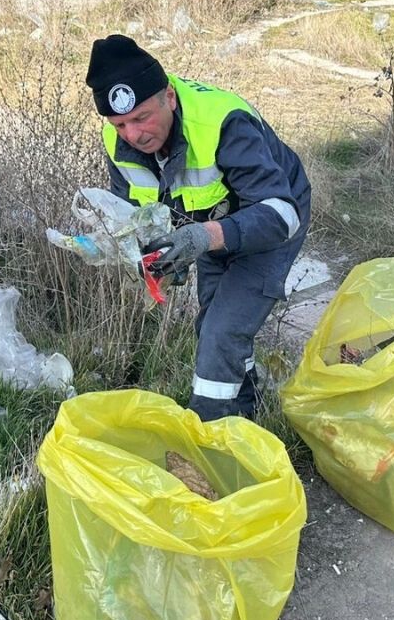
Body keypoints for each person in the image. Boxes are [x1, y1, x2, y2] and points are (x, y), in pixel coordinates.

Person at [85, 34, 311, 421]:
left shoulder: (222, 122)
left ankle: (209, 437)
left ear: (169, 96)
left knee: (221, 333)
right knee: (211, 322)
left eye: (142, 117)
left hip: (271, 216)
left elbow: (281, 215)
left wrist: (203, 236)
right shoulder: (118, 141)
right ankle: (245, 409)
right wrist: (147, 256)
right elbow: (133, 215)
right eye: (120, 124)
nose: (134, 136)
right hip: (207, 225)